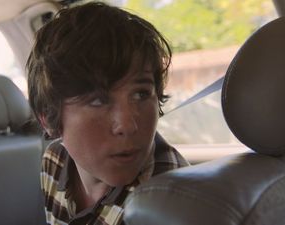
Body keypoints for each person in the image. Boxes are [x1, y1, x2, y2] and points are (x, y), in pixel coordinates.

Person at [26, 2, 189, 225]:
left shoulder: (168, 203)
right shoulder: (54, 161)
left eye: (141, 94)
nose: (128, 124)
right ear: (48, 119)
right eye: (98, 100)